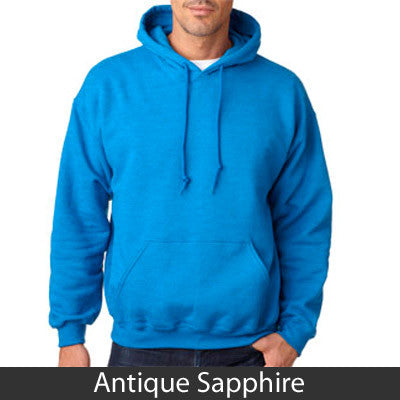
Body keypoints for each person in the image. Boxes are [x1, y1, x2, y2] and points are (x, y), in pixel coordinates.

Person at [50, 0, 332, 367]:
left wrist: (294, 332)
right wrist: (71, 332)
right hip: (138, 348)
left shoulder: (281, 91)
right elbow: (78, 213)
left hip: (253, 349)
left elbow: (305, 219)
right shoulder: (109, 85)